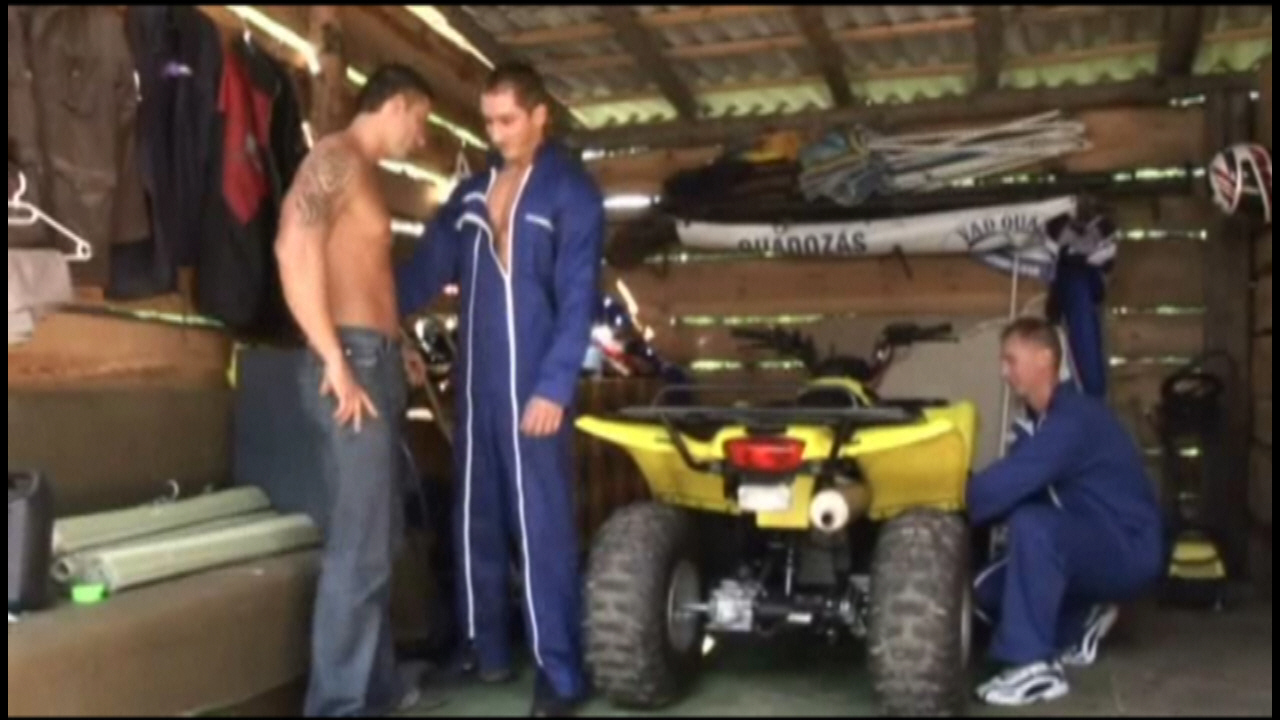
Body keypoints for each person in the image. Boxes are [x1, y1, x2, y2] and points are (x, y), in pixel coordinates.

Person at [397, 62, 604, 717]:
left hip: (533, 387)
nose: (496, 133)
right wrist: (375, 317)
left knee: (542, 528)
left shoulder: (572, 193)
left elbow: (578, 299)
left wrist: (555, 387)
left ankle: (560, 673)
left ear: (541, 115)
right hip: (476, 385)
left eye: (508, 120)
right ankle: (480, 648)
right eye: (488, 121)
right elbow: (422, 273)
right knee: (473, 520)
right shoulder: (470, 195)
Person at [275, 64, 441, 718]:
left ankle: (377, 687)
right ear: (395, 104)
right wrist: (334, 359)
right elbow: (293, 247)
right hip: (351, 368)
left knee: (382, 537)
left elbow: (363, 273)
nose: (421, 137)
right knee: (359, 549)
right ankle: (337, 706)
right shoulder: (335, 159)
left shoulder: (363, 171)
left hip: (376, 359)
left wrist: (399, 344)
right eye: (420, 120)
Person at [968, 318, 1167, 707]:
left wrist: (949, 501)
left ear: (1045, 359)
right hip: (1088, 544)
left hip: (1128, 548)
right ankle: (1081, 620)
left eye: (1011, 360)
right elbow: (1010, 490)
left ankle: (1034, 667)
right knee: (984, 592)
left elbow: (1006, 484)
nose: (1003, 372)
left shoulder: (1073, 419)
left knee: (1034, 527)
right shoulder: (1037, 426)